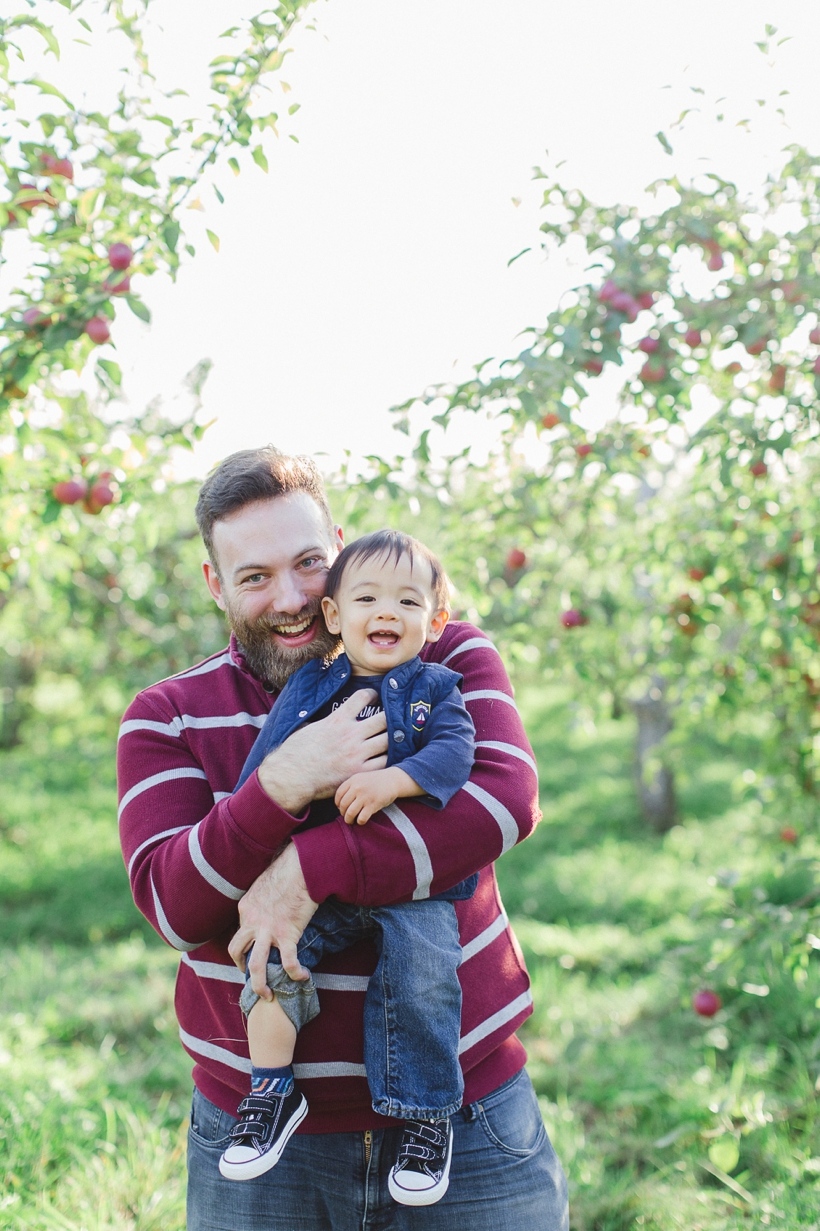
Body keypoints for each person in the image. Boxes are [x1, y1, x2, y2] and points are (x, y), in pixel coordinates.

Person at [117, 446, 569, 1230]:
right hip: (259, 1152)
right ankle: (275, 1092)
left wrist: (309, 866)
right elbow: (175, 907)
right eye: (255, 577)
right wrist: (284, 782)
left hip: (470, 1121)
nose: (290, 598)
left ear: (341, 549)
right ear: (215, 584)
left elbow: (503, 803)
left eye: (309, 563)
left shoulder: (443, 651)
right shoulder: (169, 714)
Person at [219, 530, 476, 1205]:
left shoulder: (439, 688)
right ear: (334, 615)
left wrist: (398, 781)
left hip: (412, 885)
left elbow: (455, 756)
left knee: (425, 970)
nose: (385, 611)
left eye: (407, 600)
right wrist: (271, 834)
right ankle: (271, 1088)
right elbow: (267, 764)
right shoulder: (310, 686)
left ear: (436, 620)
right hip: (320, 890)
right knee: (270, 955)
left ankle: (425, 1118)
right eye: (365, 597)